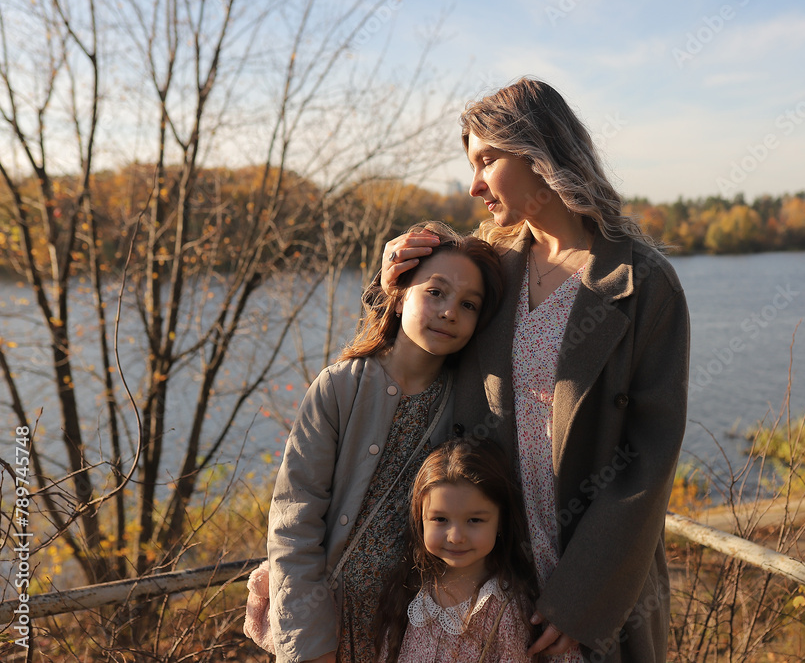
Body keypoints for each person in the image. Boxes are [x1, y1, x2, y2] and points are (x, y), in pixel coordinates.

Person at [379, 78, 690, 662]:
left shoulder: (645, 285)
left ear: (538, 152)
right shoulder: (488, 273)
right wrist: (394, 276)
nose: (473, 185)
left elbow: (649, 460)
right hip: (486, 576)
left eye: (486, 160)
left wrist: (579, 603)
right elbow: (408, 360)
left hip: (590, 588)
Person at [261, 221, 503, 663]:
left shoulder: (471, 407)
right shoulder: (340, 388)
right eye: (436, 292)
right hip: (327, 621)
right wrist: (309, 645)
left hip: (414, 631)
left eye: (469, 304)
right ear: (399, 291)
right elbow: (294, 522)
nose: (450, 311)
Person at [374, 436, 538, 662]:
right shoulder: (410, 590)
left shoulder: (505, 608)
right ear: (420, 520)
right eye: (440, 519)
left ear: (500, 521)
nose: (456, 537)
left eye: (474, 520)